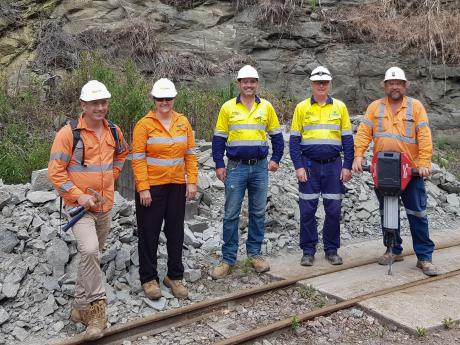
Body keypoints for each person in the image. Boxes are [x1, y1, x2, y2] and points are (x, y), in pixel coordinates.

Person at [48, 80, 128, 340]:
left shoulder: (114, 131)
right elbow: (55, 173)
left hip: (105, 206)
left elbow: (122, 153)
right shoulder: (68, 134)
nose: (100, 107)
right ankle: (96, 311)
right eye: (94, 103)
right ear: (83, 105)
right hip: (79, 210)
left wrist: (113, 176)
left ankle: (79, 307)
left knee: (91, 257)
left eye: (103, 102)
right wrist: (79, 195)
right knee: (90, 250)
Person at [352, 66, 438, 276]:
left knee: (417, 213)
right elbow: (364, 133)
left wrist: (425, 162)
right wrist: (358, 156)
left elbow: (424, 136)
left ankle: (424, 257)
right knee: (387, 212)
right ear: (385, 86)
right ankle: (393, 249)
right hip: (383, 169)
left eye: (399, 83)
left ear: (405, 85)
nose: (395, 86)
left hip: (411, 171)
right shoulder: (375, 107)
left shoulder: (415, 107)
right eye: (391, 83)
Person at [210, 65, 284, 280]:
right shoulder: (227, 108)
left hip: (260, 167)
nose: (249, 85)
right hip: (236, 167)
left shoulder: (267, 108)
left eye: (253, 81)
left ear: (257, 84)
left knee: (258, 213)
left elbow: (277, 136)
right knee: (231, 213)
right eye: (245, 81)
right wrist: (219, 164)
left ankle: (255, 254)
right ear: (239, 84)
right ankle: (228, 259)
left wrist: (276, 159)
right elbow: (218, 139)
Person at [131, 78, 198, 300]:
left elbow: (190, 154)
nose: (164, 102)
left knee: (175, 232)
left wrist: (192, 181)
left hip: (177, 186)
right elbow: (138, 158)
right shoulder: (144, 125)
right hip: (152, 188)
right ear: (154, 99)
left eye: (168, 98)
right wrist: (143, 188)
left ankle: (174, 276)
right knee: (149, 234)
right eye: (160, 98)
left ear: (174, 98)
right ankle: (149, 278)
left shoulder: (183, 122)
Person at [289, 66, 354, 267]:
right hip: (309, 166)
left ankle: (331, 249)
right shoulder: (301, 108)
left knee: (333, 209)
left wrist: (347, 166)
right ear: (311, 84)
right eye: (318, 82)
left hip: (334, 166)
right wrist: (298, 166)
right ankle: (308, 251)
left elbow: (348, 140)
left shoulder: (340, 107)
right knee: (307, 209)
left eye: (324, 82)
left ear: (329, 84)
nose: (321, 85)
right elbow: (294, 141)